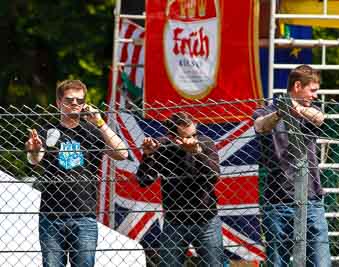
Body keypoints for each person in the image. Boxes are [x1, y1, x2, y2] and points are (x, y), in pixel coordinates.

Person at [25, 79, 128, 267]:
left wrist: (100, 122)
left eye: (80, 101)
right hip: (51, 215)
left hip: (84, 215)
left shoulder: (93, 132)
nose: (75, 104)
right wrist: (33, 150)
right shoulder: (46, 131)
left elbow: (122, 153)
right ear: (58, 102)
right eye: (70, 100)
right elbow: (34, 160)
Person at [253, 65, 331, 267]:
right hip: (278, 202)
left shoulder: (312, 110)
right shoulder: (267, 110)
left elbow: (319, 118)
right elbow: (260, 125)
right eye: (312, 90)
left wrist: (297, 110)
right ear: (297, 86)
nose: (315, 95)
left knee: (321, 263)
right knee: (277, 262)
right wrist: (281, 112)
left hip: (312, 200)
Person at [136, 112, 223, 267]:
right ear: (172, 136)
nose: (191, 140)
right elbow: (144, 180)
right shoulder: (164, 147)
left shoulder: (205, 142)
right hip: (175, 221)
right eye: (185, 137)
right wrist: (148, 156)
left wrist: (196, 152)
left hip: (206, 219)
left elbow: (214, 176)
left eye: (193, 135)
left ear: (195, 125)